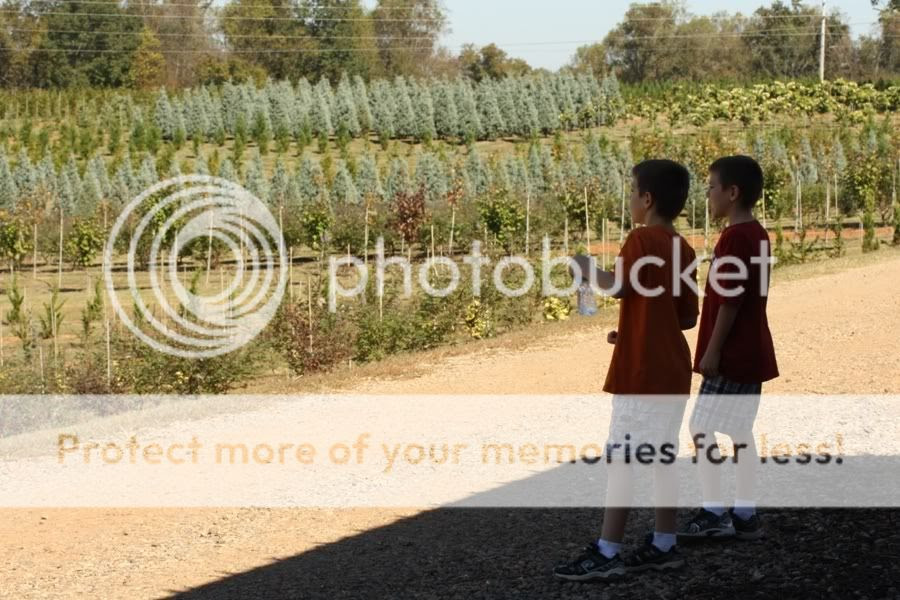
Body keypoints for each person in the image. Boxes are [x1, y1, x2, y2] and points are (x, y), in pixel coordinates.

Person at [554, 159, 699, 581]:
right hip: (673, 369)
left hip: (643, 374)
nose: (630, 199)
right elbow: (685, 318)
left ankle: (608, 550)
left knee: (622, 458)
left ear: (647, 199)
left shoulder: (641, 239)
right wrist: (635, 331)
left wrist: (585, 268)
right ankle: (664, 543)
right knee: (662, 456)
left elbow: (616, 286)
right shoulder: (685, 249)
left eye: (632, 192)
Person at [678, 155, 779, 542]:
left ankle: (714, 511)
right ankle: (745, 513)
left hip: (734, 352)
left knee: (700, 426)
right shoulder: (758, 233)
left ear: (732, 192)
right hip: (752, 348)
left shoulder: (735, 238)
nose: (707, 194)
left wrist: (714, 350)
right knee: (739, 431)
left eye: (711, 187)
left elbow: (731, 300)